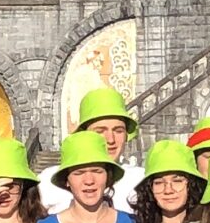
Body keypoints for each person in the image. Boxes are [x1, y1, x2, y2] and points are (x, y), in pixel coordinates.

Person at [38, 86, 141, 214]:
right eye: (100, 131)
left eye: (118, 130)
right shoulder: (49, 180)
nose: (110, 140)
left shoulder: (141, 179)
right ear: (83, 133)